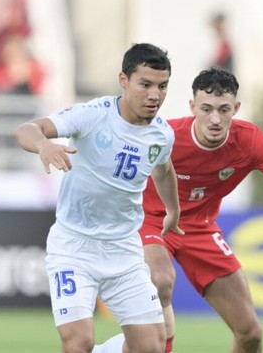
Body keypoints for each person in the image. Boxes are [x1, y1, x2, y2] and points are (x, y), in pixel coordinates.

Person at [94, 67, 263, 353]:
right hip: (152, 221)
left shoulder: (248, 140)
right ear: (192, 107)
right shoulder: (165, 135)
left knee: (250, 334)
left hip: (200, 227)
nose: (215, 119)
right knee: (160, 281)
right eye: (206, 108)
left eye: (224, 110)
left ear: (236, 108)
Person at [15, 42, 184, 353]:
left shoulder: (162, 133)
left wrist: (172, 210)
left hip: (123, 250)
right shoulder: (92, 115)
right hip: (74, 247)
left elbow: (163, 170)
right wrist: (45, 146)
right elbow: (27, 129)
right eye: (145, 84)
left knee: (150, 347)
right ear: (124, 80)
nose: (154, 95)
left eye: (162, 86)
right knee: (79, 341)